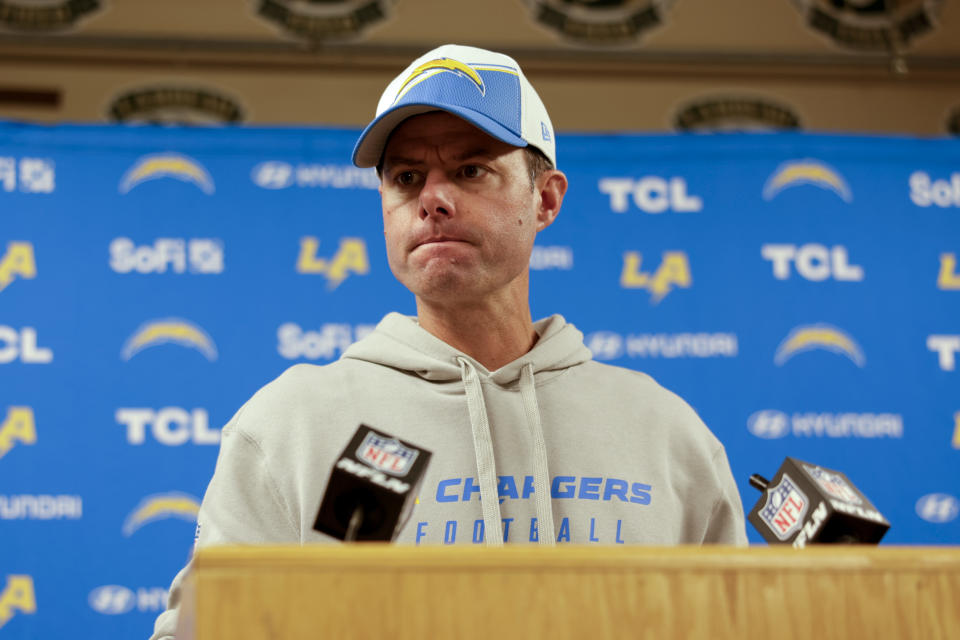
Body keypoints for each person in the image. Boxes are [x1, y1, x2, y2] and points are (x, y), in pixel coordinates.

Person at [149, 44, 746, 640]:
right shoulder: (290, 426)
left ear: (545, 199)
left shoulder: (667, 433)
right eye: (407, 177)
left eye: (470, 170)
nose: (432, 199)